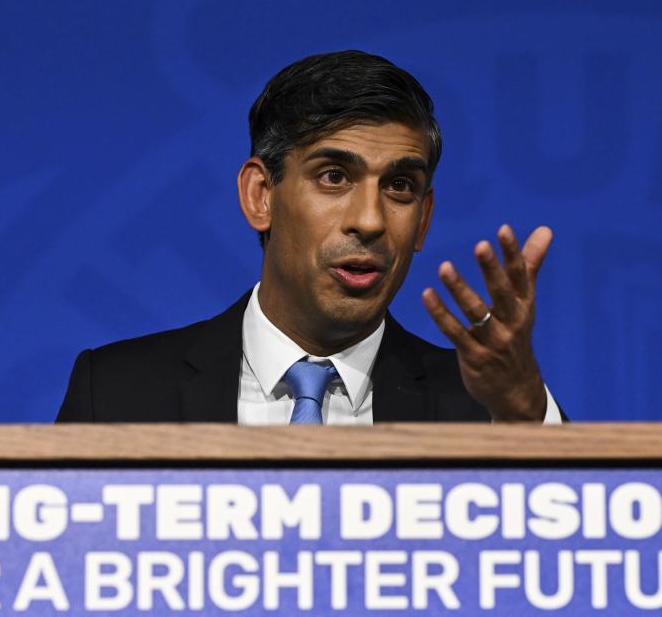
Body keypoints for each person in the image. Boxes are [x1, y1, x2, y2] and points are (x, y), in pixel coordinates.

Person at [56, 50, 562, 425]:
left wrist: (522, 414)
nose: (370, 220)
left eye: (400, 186)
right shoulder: (118, 393)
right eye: (334, 177)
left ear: (424, 219)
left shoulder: (483, 407)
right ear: (261, 195)